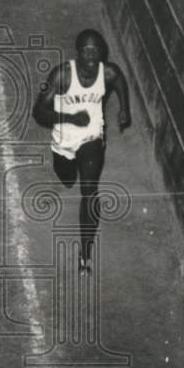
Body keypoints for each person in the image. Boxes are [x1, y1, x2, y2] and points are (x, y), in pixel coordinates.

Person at [32, 29, 131, 273]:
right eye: (86, 50)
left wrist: (124, 109)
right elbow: (38, 112)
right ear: (78, 52)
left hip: (91, 136)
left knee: (89, 190)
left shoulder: (108, 72)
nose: (90, 56)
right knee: (66, 178)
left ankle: (85, 252)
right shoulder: (62, 75)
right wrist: (69, 117)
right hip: (64, 139)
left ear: (101, 53)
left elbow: (120, 83)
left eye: (95, 50)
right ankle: (66, 168)